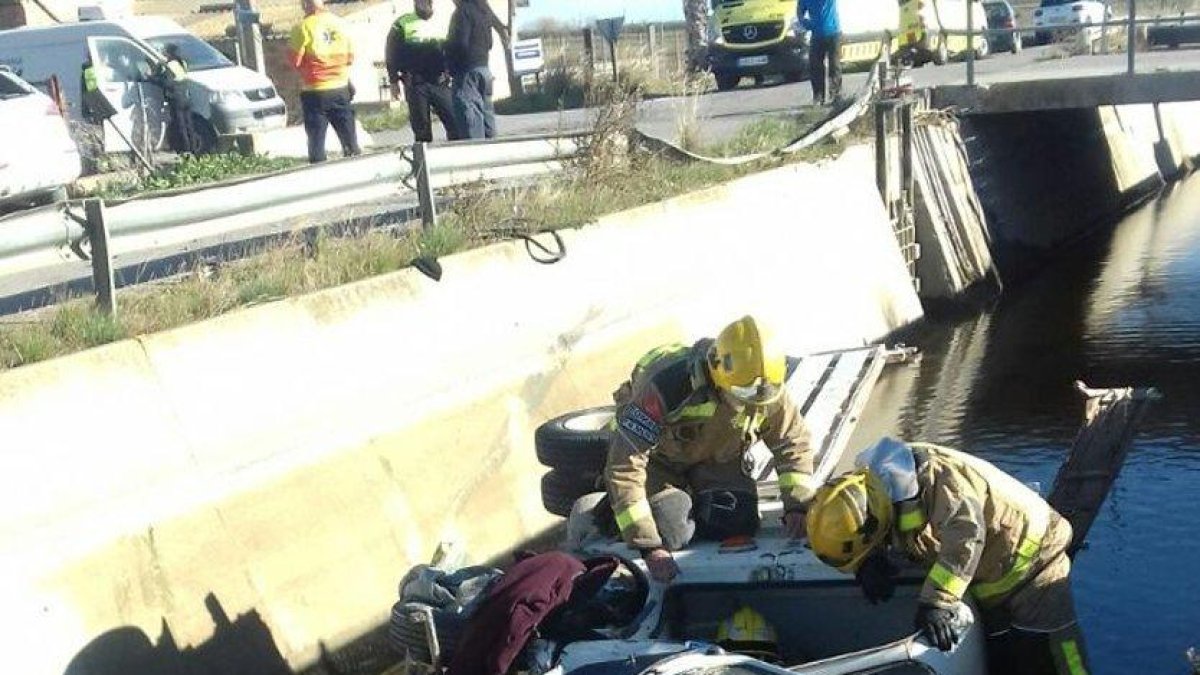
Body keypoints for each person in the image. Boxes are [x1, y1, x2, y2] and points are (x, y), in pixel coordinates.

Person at [806, 438, 1091, 675]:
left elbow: (967, 536)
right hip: (990, 576)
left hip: (1036, 561)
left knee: (1056, 650)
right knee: (1006, 656)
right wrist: (869, 562)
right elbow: (900, 532)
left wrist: (936, 601)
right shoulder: (876, 492)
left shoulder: (939, 480)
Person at [604, 315, 816, 583]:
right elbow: (625, 464)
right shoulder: (665, 387)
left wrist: (797, 506)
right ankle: (605, 511)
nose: (753, 401)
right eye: (743, 393)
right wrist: (647, 545)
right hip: (661, 463)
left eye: (761, 394)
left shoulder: (766, 386)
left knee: (738, 521)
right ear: (718, 372)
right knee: (672, 533)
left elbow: (792, 441)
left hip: (715, 458)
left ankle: (694, 497)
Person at [288, 0, 361, 163]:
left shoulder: (302, 27)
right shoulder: (341, 24)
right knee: (350, 142)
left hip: (315, 92)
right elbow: (350, 58)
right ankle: (356, 165)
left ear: (304, 4)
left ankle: (319, 170)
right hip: (341, 89)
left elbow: (295, 61)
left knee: (316, 144)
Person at [385, 0, 461, 142]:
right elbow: (391, 53)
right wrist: (393, 81)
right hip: (415, 83)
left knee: (455, 122)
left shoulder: (442, 20)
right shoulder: (402, 23)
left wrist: (452, 71)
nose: (421, 4)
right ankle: (424, 155)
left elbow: (453, 48)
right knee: (422, 130)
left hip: (440, 81)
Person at [446, 0, 496, 139]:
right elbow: (490, 43)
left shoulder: (463, 11)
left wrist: (447, 53)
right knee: (487, 117)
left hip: (467, 72)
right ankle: (493, 148)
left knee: (471, 121)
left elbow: (461, 43)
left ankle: (476, 150)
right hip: (484, 68)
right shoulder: (483, 10)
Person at [156, 43, 198, 154]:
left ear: (168, 53)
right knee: (189, 125)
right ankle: (194, 149)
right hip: (186, 95)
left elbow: (168, 83)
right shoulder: (182, 62)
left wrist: (156, 79)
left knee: (181, 125)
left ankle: (186, 149)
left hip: (176, 98)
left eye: (164, 51)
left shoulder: (170, 65)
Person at [798, 0, 841, 105]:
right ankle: (818, 96)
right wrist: (806, 24)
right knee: (815, 66)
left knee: (834, 65)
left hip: (833, 33)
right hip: (816, 36)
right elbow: (800, 12)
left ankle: (835, 94)